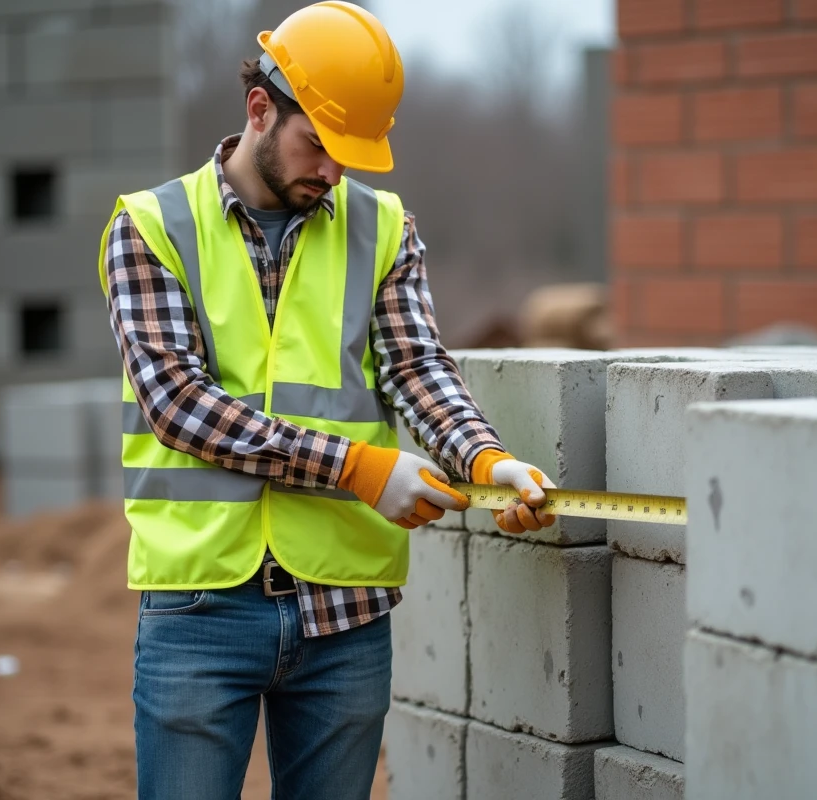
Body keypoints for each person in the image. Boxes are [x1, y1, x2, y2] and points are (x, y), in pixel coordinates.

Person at [98, 3, 557, 798]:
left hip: (346, 612)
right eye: (320, 145)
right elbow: (178, 402)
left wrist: (487, 457)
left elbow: (416, 368)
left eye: (351, 155)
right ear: (259, 109)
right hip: (200, 606)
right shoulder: (152, 227)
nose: (335, 173)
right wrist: (358, 468)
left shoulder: (383, 229)